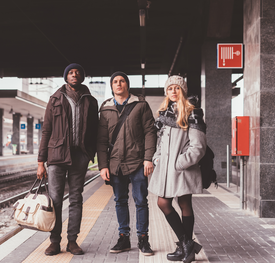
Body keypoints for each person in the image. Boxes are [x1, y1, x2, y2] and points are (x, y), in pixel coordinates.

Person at [37, 63, 99, 256]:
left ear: (82, 77)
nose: (74, 75)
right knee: (55, 200)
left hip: (79, 155)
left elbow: (95, 130)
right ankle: (54, 241)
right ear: (66, 77)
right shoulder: (55, 99)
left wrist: (90, 153)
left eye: (77, 72)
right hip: (56, 156)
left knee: (76, 199)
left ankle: (72, 241)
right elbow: (46, 130)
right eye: (71, 72)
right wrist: (41, 161)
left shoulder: (90, 100)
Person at [97, 71, 157, 256]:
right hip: (116, 164)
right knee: (120, 201)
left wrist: (148, 158)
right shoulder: (106, 109)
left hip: (138, 162)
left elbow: (150, 132)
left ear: (127, 84)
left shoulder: (140, 105)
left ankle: (143, 239)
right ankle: (124, 237)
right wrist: (103, 165)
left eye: (122, 81)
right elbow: (101, 140)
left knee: (141, 201)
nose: (118, 84)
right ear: (112, 86)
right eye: (115, 81)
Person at [148, 75, 205, 263]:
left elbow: (198, 146)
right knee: (163, 203)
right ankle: (187, 245)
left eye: (177, 88)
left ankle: (185, 247)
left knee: (184, 204)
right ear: (166, 92)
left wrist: (180, 163)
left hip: (182, 168)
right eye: (170, 88)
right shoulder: (164, 114)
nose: (173, 91)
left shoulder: (192, 112)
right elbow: (161, 142)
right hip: (165, 168)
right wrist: (156, 157)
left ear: (183, 90)